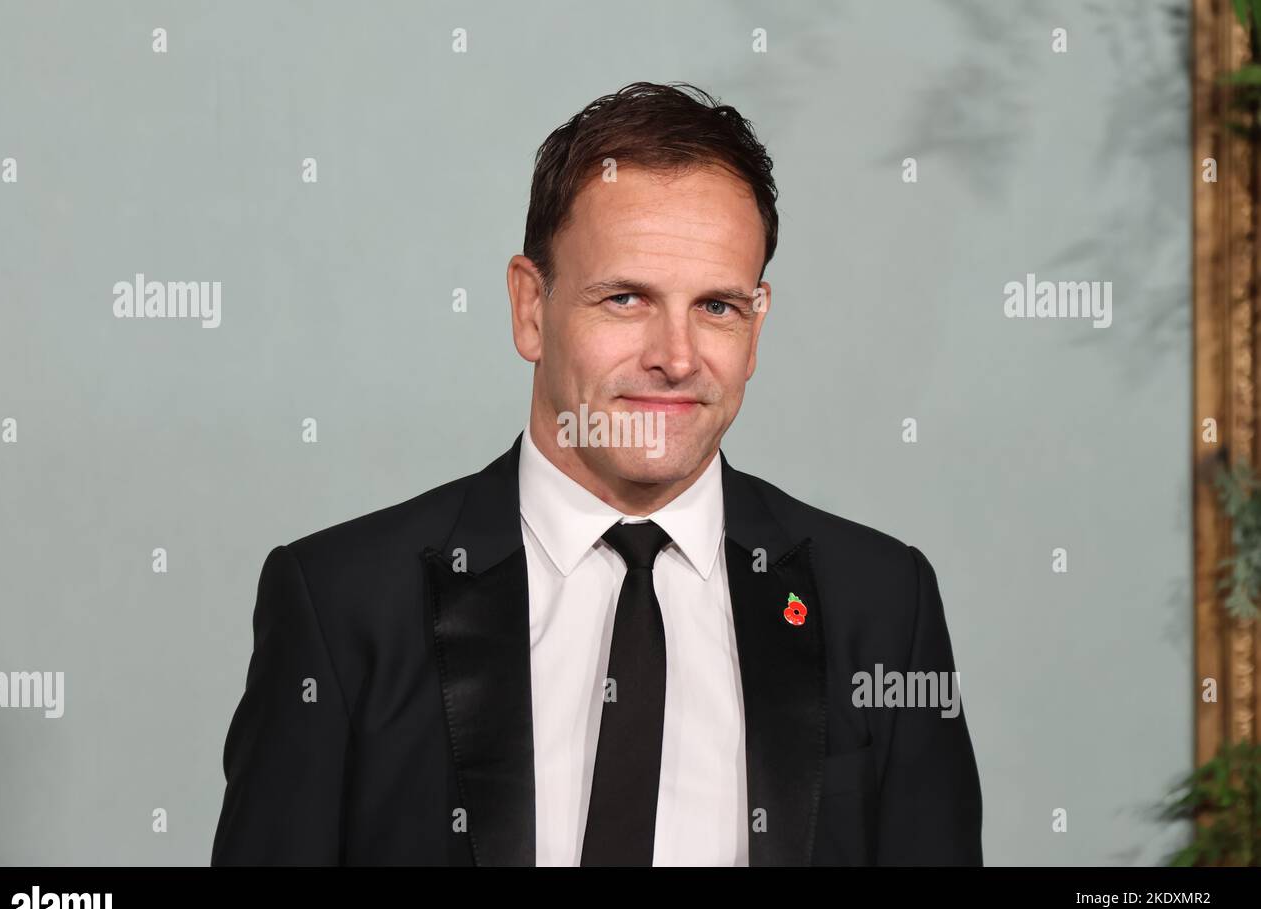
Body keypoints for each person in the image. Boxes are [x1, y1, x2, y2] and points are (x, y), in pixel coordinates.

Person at [211, 81, 982, 866]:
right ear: (529, 308)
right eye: (625, 298)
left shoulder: (883, 604)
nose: (675, 358)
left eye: (717, 307)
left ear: (756, 328)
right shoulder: (343, 606)